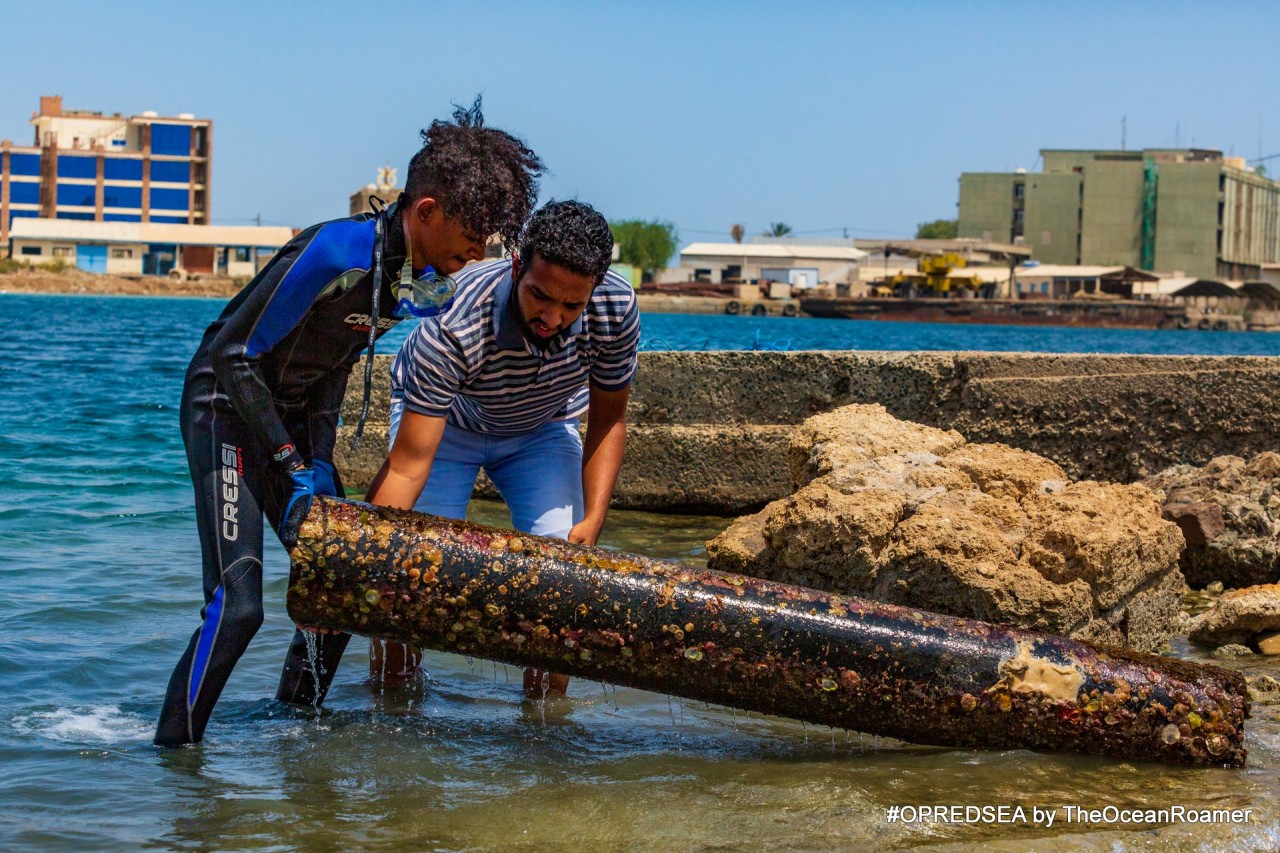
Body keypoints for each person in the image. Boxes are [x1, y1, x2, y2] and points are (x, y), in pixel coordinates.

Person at [154, 99, 543, 747]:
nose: (478, 252)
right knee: (239, 607)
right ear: (426, 212)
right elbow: (232, 356)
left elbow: (329, 369)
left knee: (338, 591)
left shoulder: (417, 281)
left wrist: (322, 462)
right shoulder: (338, 251)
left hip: (292, 429)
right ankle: (175, 757)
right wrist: (286, 462)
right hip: (225, 409)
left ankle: (291, 736)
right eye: (472, 234)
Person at [365, 199, 640, 699]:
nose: (553, 317)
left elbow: (608, 419)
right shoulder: (455, 321)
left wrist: (595, 517)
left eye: (572, 305)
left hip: (542, 428)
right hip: (446, 426)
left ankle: (544, 730)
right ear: (517, 266)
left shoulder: (615, 308)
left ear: (595, 291)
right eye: (540, 296)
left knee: (563, 585)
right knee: (405, 573)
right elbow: (407, 468)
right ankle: (393, 707)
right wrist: (362, 570)